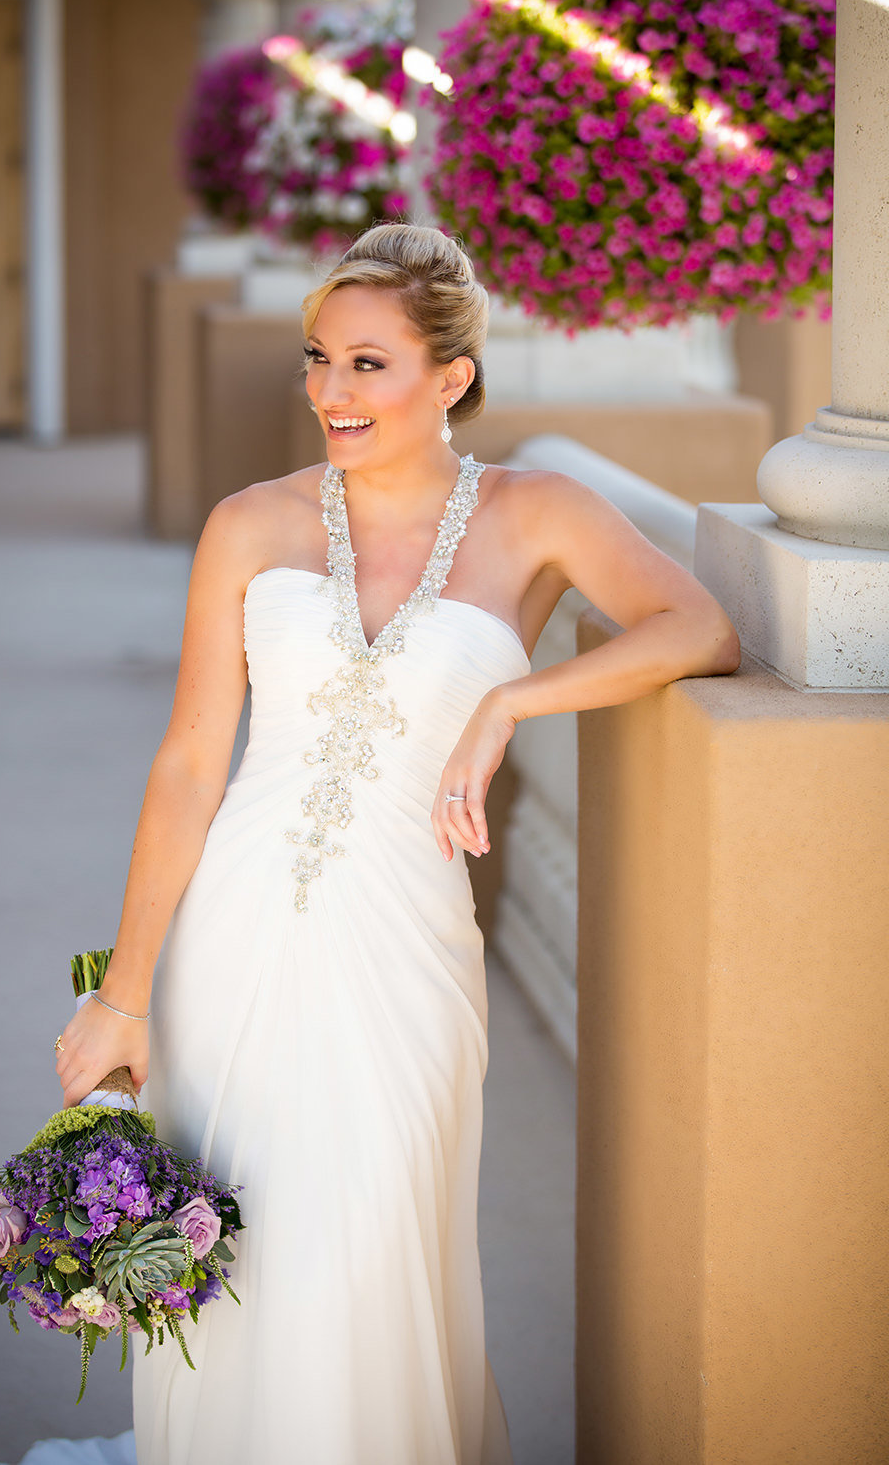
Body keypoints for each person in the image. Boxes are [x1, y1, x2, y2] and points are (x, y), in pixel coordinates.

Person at [55, 222, 740, 1465]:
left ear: (451, 377)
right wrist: (126, 994)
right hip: (234, 943)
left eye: (368, 364)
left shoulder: (538, 512)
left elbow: (697, 627)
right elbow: (191, 764)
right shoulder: (248, 525)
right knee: (238, 1268)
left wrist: (510, 701)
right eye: (318, 359)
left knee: (369, 1252)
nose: (330, 391)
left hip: (408, 956)